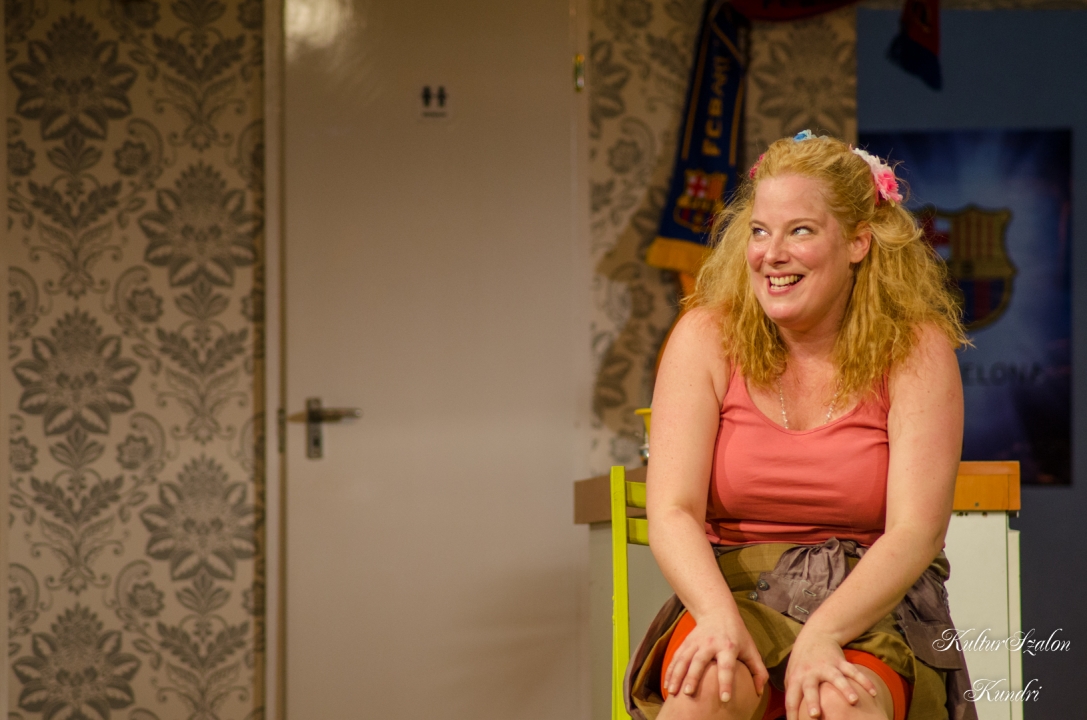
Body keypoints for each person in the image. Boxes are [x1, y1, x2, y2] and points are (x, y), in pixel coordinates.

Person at [631, 131, 974, 720]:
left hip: (866, 605)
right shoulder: (705, 337)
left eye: (801, 231)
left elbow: (916, 531)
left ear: (859, 241)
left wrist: (825, 632)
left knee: (838, 702)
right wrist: (714, 616)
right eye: (760, 231)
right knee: (706, 689)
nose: (772, 253)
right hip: (735, 593)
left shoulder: (916, 349)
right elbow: (672, 510)